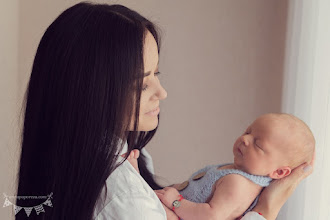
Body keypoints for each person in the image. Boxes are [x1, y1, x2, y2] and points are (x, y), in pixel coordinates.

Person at [15, 2, 314, 220]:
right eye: (142, 84)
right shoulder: (122, 192)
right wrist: (265, 210)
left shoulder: (124, 158)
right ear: (90, 93)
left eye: (157, 74)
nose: (162, 92)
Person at [153, 113, 315, 220]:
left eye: (257, 144)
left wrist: (176, 201)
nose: (245, 139)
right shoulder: (234, 170)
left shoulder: (239, 184)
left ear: (279, 172)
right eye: (247, 132)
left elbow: (212, 216)